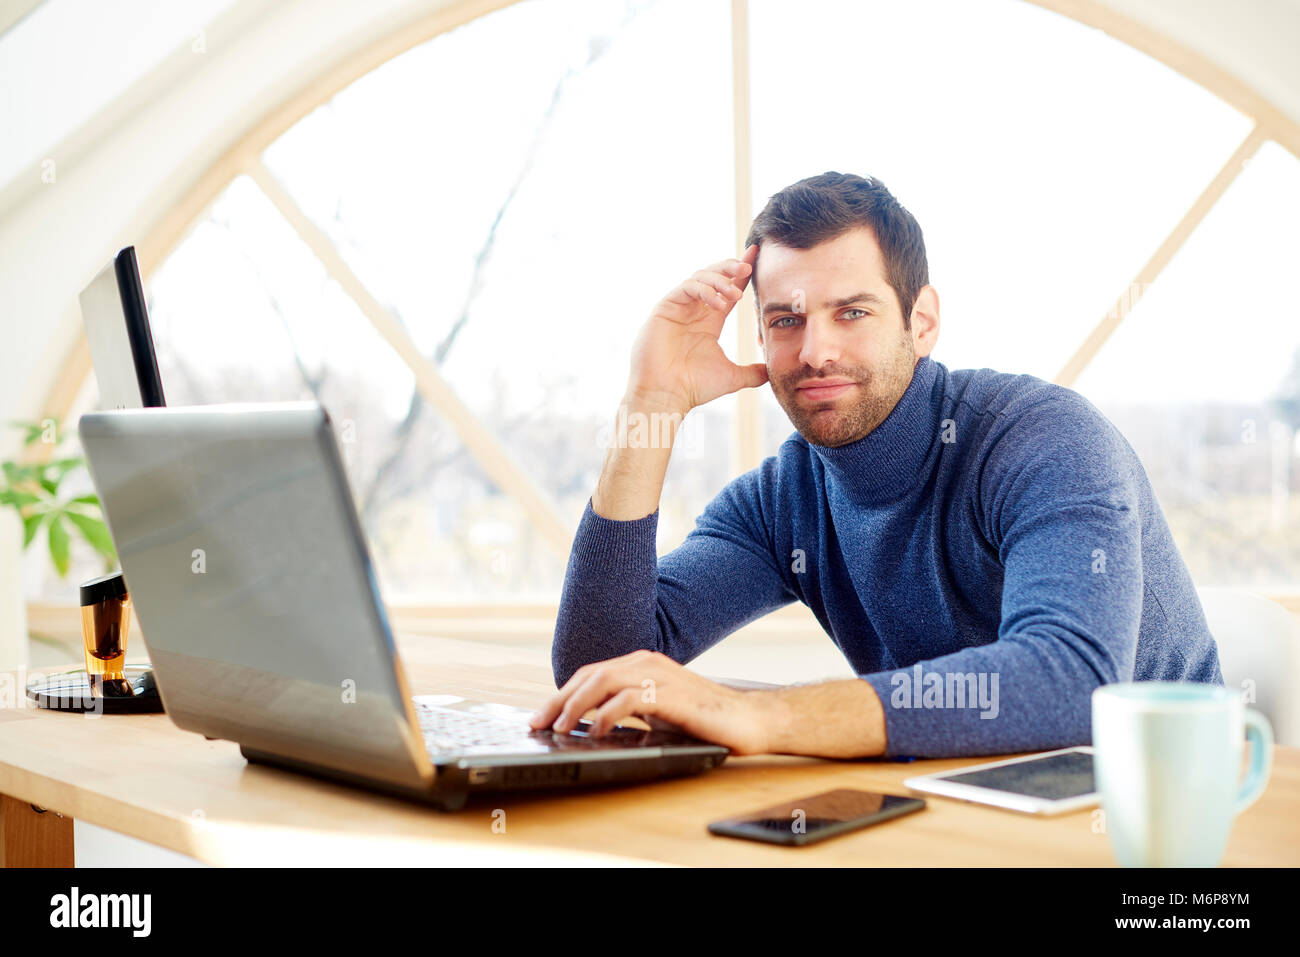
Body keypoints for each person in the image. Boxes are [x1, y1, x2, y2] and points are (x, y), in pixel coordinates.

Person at [529, 171, 1222, 759]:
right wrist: (652, 403)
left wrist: (761, 716)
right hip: (954, 801)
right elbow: (600, 670)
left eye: (851, 311)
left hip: (1155, 807)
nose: (815, 351)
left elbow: (1071, 682)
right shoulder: (782, 500)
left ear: (921, 321)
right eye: (786, 319)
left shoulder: (1043, 439)